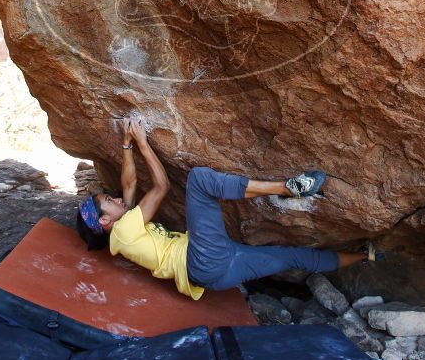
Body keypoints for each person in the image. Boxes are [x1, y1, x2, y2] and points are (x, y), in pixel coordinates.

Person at [76, 117, 382, 300]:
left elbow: (128, 186)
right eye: (108, 202)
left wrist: (127, 144)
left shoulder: (122, 231)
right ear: (104, 220)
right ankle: (287, 187)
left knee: (295, 256)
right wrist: (143, 142)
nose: (116, 198)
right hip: (202, 260)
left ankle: (365, 256)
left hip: (215, 275)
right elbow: (161, 188)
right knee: (198, 180)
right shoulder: (125, 231)